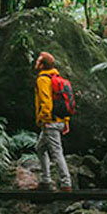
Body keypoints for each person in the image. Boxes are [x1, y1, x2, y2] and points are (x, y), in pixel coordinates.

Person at [34, 51, 72, 191]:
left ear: (42, 65)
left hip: (50, 122)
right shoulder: (56, 77)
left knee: (56, 152)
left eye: (38, 61)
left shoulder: (43, 79)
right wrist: (66, 121)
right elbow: (64, 100)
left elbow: (46, 102)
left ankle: (66, 183)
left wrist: (44, 120)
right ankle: (45, 181)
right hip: (59, 120)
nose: (35, 63)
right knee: (40, 148)